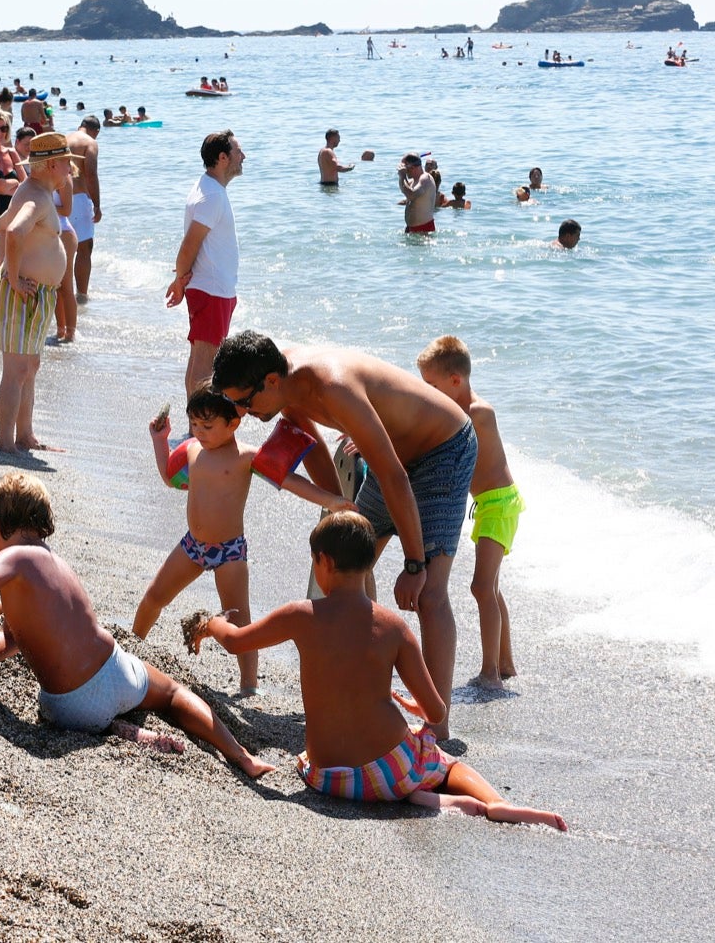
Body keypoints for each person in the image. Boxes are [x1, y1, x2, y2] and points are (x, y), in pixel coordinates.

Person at [0, 472, 273, 777]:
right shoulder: (56, 564)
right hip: (116, 674)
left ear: (2, 522)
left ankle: (112, 730)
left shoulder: (12, 557)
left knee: (60, 708)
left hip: (68, 708)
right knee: (175, 693)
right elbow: (10, 642)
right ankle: (239, 757)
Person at [190, 512, 564, 827]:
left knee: (383, 772)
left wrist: (211, 623)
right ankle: (492, 802)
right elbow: (437, 712)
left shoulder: (300, 615)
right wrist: (417, 709)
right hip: (391, 770)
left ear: (325, 562)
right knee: (441, 761)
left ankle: (423, 798)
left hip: (329, 778)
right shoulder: (394, 627)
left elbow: (236, 641)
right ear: (369, 564)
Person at [211, 332, 476, 738]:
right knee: (347, 563)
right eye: (234, 404)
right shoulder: (283, 386)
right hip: (395, 457)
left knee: (428, 592)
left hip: (444, 447)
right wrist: (337, 507)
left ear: (270, 381)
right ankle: (368, 689)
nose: (242, 412)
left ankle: (436, 729)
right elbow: (314, 446)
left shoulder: (332, 385)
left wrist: (414, 562)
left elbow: (393, 477)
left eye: (245, 402)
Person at [135, 386, 353, 695]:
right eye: (194, 423)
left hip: (229, 553)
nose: (199, 431)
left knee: (240, 623)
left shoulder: (246, 457)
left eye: (207, 426)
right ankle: (132, 645)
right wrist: (160, 440)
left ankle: (249, 685)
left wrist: (330, 500)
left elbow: (290, 481)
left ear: (233, 423)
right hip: (192, 545)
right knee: (154, 596)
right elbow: (170, 477)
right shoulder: (192, 449)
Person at [417, 337, 520, 686]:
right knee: (489, 586)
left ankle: (490, 672)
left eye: (431, 386)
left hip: (501, 505)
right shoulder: (453, 411)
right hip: (487, 505)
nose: (426, 392)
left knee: (481, 587)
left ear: (455, 381)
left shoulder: (478, 413)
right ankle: (505, 663)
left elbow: (432, 435)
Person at [0, 132, 73, 452]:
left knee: (30, 367)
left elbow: (0, 224)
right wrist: (11, 276)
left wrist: (7, 269)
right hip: (23, 290)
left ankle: (24, 436)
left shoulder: (37, 192)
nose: (70, 169)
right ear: (52, 164)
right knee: (17, 370)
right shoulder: (36, 197)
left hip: (34, 291)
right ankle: (5, 442)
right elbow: (13, 230)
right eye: (67, 163)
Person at [167, 131, 246, 396]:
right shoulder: (212, 196)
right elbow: (189, 245)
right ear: (223, 158)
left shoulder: (209, 189)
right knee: (205, 362)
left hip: (212, 287)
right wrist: (179, 281)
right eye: (238, 152)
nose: (243, 156)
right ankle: (199, 427)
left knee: (201, 358)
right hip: (211, 289)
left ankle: (196, 423)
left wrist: (181, 279)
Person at [66, 116, 102, 305]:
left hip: (59, 197)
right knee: (84, 248)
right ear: (95, 130)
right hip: (79, 199)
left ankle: (62, 290)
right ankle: (81, 295)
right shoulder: (90, 142)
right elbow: (91, 173)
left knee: (64, 246)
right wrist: (97, 204)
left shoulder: (64, 138)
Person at [398, 153, 436, 234]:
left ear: (412, 167)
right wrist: (402, 177)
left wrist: (402, 176)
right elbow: (405, 191)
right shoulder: (413, 181)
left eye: (405, 169)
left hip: (424, 229)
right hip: (410, 229)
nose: (405, 172)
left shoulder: (425, 178)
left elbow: (411, 195)